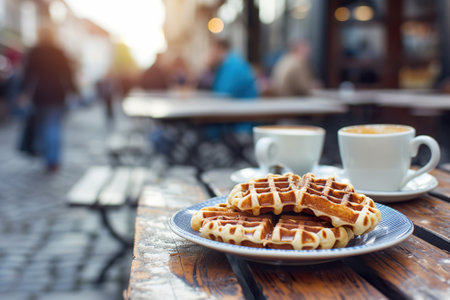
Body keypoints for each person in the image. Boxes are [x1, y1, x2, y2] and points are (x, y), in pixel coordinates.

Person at [20, 25, 77, 172]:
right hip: (58, 94)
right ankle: (53, 158)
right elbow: (68, 73)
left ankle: (48, 157)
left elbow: (28, 74)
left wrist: (24, 93)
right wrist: (73, 91)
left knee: (44, 126)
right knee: (54, 126)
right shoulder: (58, 51)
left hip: (40, 94)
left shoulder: (35, 51)